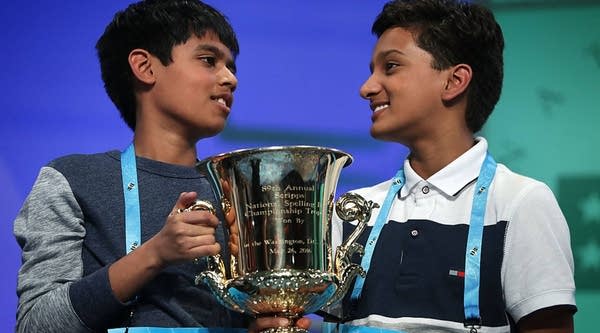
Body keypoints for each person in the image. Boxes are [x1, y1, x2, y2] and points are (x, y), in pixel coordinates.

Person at [13, 1, 310, 332]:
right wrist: (155, 254)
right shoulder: (72, 180)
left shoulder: (242, 191)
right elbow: (36, 323)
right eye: (209, 60)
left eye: (232, 67)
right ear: (145, 67)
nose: (230, 79)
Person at [324, 0, 577, 332]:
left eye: (391, 66)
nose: (366, 88)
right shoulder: (350, 211)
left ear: (455, 81)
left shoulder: (521, 204)